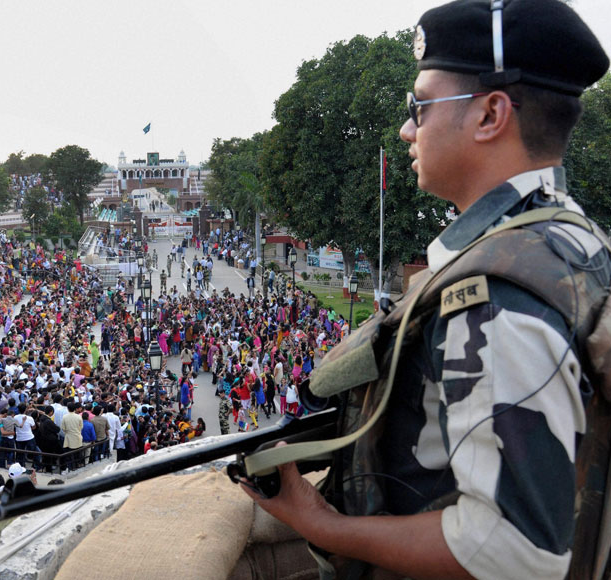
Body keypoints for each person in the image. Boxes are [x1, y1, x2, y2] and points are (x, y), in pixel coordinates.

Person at [240, 2, 611, 579]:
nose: (406, 128)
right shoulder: (577, 243)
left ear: (491, 114)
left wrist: (322, 526)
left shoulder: (493, 294)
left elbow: (516, 551)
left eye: (420, 105)